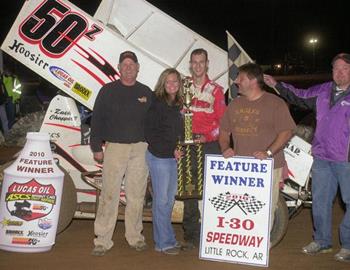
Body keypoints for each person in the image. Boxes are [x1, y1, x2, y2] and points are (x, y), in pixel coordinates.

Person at [263, 53, 350, 263]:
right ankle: (322, 242)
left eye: (344, 68)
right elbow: (299, 96)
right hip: (321, 156)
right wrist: (277, 85)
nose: (339, 72)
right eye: (335, 68)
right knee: (319, 202)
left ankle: (347, 244)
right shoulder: (322, 91)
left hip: (346, 159)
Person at [219, 63, 295, 240]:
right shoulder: (235, 104)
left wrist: (268, 153)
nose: (236, 81)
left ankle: (259, 245)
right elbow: (223, 132)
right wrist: (225, 148)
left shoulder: (275, 103)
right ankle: (243, 242)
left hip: (268, 166)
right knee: (239, 206)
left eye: (241, 77)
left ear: (253, 80)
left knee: (265, 207)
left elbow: (287, 132)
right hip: (240, 168)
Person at [90, 51, 153, 256]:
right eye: (124, 65)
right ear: (118, 68)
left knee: (136, 195)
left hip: (140, 148)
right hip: (115, 148)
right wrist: (96, 147)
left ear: (138, 68)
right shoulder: (107, 91)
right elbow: (97, 118)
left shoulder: (146, 92)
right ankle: (102, 240)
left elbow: (155, 122)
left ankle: (135, 237)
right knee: (109, 193)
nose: (128, 68)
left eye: (131, 64)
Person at [182, 48, 226, 250]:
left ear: (207, 64)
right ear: (190, 64)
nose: (198, 66)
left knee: (212, 190)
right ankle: (191, 236)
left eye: (201, 62)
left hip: (209, 146)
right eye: (194, 62)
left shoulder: (217, 90)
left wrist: (207, 136)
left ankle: (212, 233)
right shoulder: (182, 87)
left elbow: (223, 124)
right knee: (189, 191)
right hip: (187, 145)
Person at [144, 68, 183, 255]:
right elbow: (150, 134)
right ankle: (163, 243)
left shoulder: (179, 104)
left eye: (175, 81)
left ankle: (166, 239)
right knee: (161, 201)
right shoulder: (157, 103)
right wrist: (172, 150)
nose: (172, 85)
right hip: (159, 157)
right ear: (162, 83)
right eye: (168, 82)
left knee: (169, 201)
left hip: (172, 158)